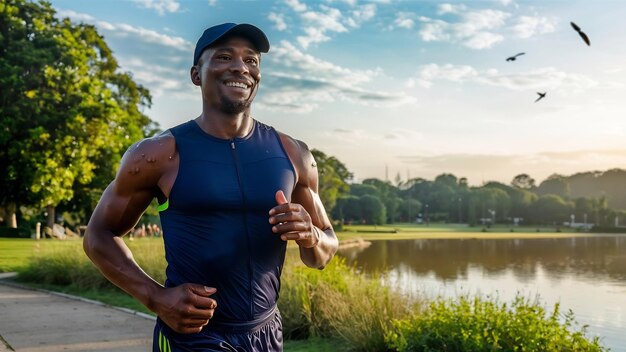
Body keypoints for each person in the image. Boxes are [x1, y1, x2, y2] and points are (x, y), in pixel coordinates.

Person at [83, 22, 338, 351]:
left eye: (251, 60)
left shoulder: (294, 154)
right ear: (196, 74)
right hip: (192, 336)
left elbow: (323, 252)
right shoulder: (158, 153)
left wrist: (311, 235)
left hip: (265, 333)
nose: (240, 67)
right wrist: (156, 297)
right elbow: (98, 236)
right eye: (224, 57)